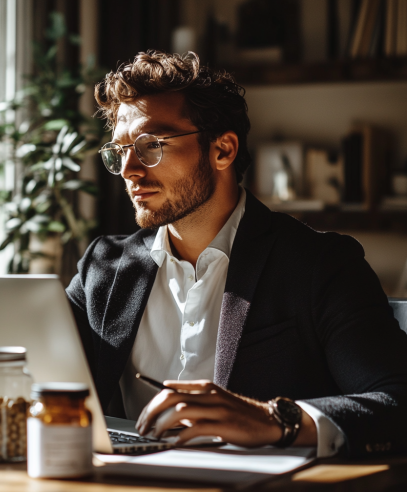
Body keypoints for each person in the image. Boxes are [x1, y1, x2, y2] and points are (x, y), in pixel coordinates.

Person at [66, 50, 407, 458]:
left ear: (223, 150)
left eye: (151, 145)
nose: (129, 169)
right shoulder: (102, 269)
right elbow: (38, 378)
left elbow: (396, 400)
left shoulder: (321, 265)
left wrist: (271, 419)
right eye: (120, 150)